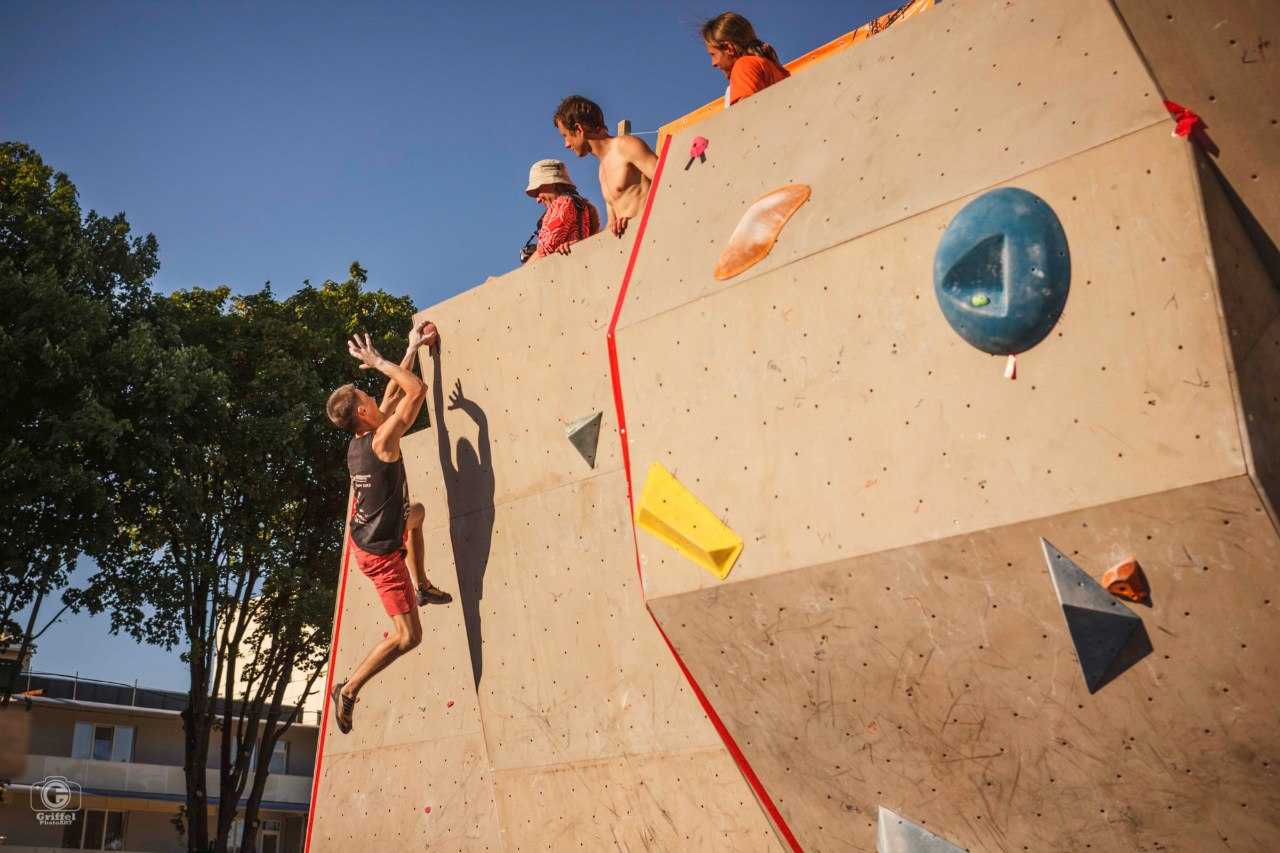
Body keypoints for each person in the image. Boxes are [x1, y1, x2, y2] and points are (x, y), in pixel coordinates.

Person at [324, 319, 452, 734]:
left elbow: (394, 392)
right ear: (363, 411)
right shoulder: (381, 442)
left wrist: (411, 347)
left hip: (377, 530)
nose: (376, 398)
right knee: (408, 637)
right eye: (368, 397)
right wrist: (378, 361)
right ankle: (349, 688)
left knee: (416, 512)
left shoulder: (360, 440)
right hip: (380, 555)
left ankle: (423, 585)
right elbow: (414, 391)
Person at [554, 95, 657, 238]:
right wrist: (577, 249)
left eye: (565, 135)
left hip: (654, 236)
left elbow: (668, 182)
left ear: (579, 129)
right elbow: (611, 225)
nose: (566, 144)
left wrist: (635, 221)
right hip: (632, 248)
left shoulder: (625, 146)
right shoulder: (602, 170)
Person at [520, 159, 600, 263]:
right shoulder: (582, 206)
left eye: (538, 191)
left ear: (553, 183)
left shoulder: (563, 202)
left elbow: (544, 250)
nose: (538, 200)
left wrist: (512, 279)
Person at [702, 12, 790, 106]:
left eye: (713, 55)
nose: (713, 63)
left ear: (729, 48)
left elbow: (746, 114)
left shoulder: (743, 66)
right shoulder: (777, 70)